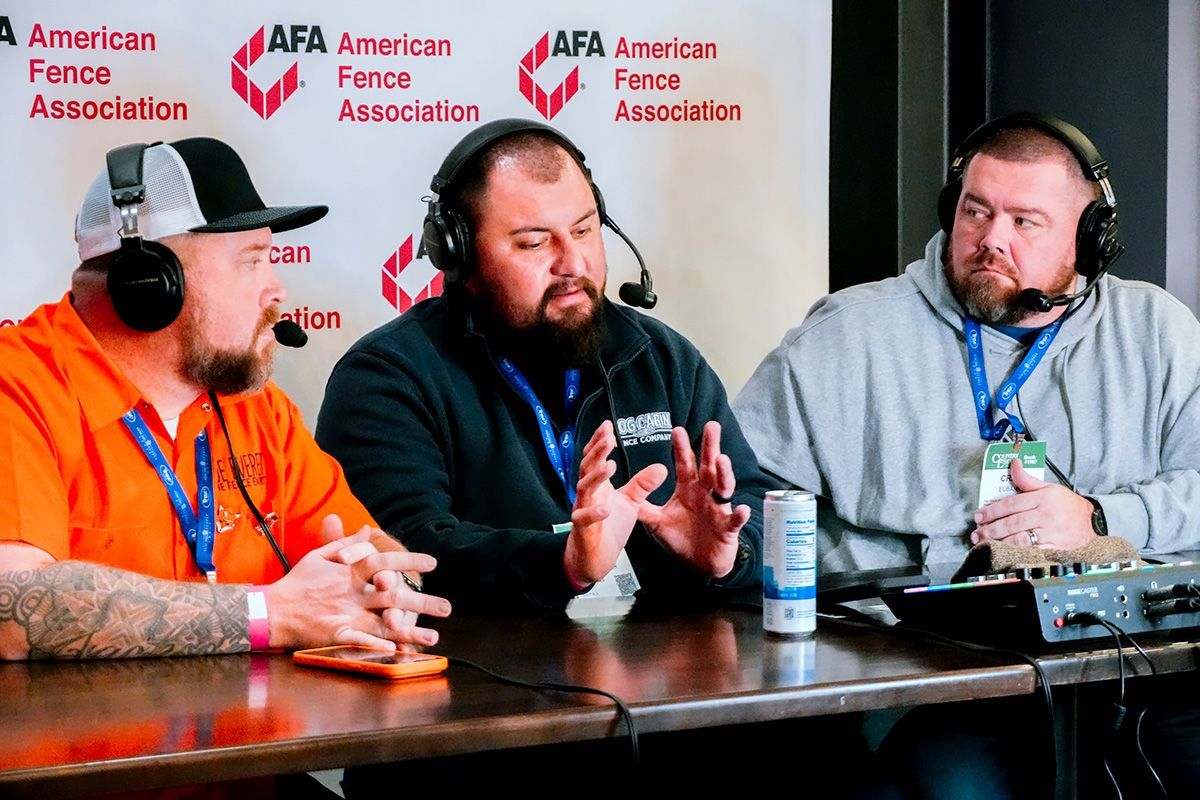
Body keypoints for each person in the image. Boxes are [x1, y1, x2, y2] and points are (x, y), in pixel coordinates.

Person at [734, 114, 1200, 797]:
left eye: (1024, 221)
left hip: (1130, 669)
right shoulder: (846, 337)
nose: (991, 240)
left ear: (1092, 239)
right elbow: (747, 499)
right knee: (957, 787)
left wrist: (1098, 520)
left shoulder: (1155, 331)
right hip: (936, 682)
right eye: (976, 211)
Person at [0, 138, 451, 662]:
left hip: (254, 739)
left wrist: (387, 587)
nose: (277, 290)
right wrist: (272, 615)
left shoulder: (259, 408)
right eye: (250, 262)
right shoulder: (19, 388)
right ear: (148, 284)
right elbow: (11, 609)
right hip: (82, 743)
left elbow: (362, 546)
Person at [316, 118, 772, 612]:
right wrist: (565, 563)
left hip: (664, 679)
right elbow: (403, 554)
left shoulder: (659, 358)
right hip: (476, 681)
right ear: (459, 256)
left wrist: (729, 556)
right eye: (534, 243)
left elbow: (758, 510)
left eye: (584, 230)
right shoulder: (386, 378)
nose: (573, 263)